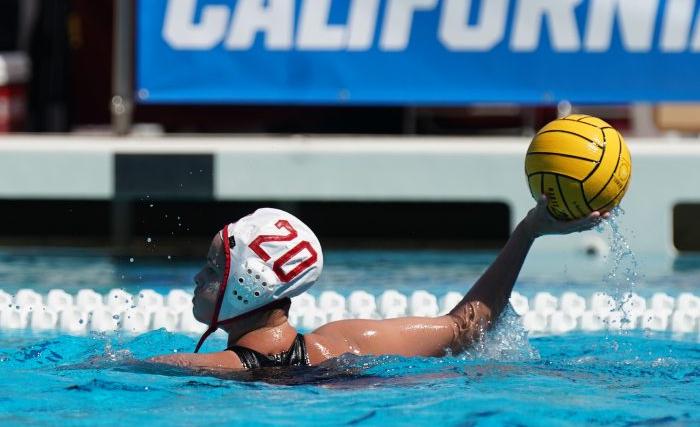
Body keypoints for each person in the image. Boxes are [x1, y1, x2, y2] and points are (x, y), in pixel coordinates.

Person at [148, 198, 607, 370]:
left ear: (250, 282)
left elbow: (121, 371)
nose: (197, 277)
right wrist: (529, 231)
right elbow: (468, 326)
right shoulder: (346, 341)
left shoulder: (223, 368)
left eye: (213, 268)